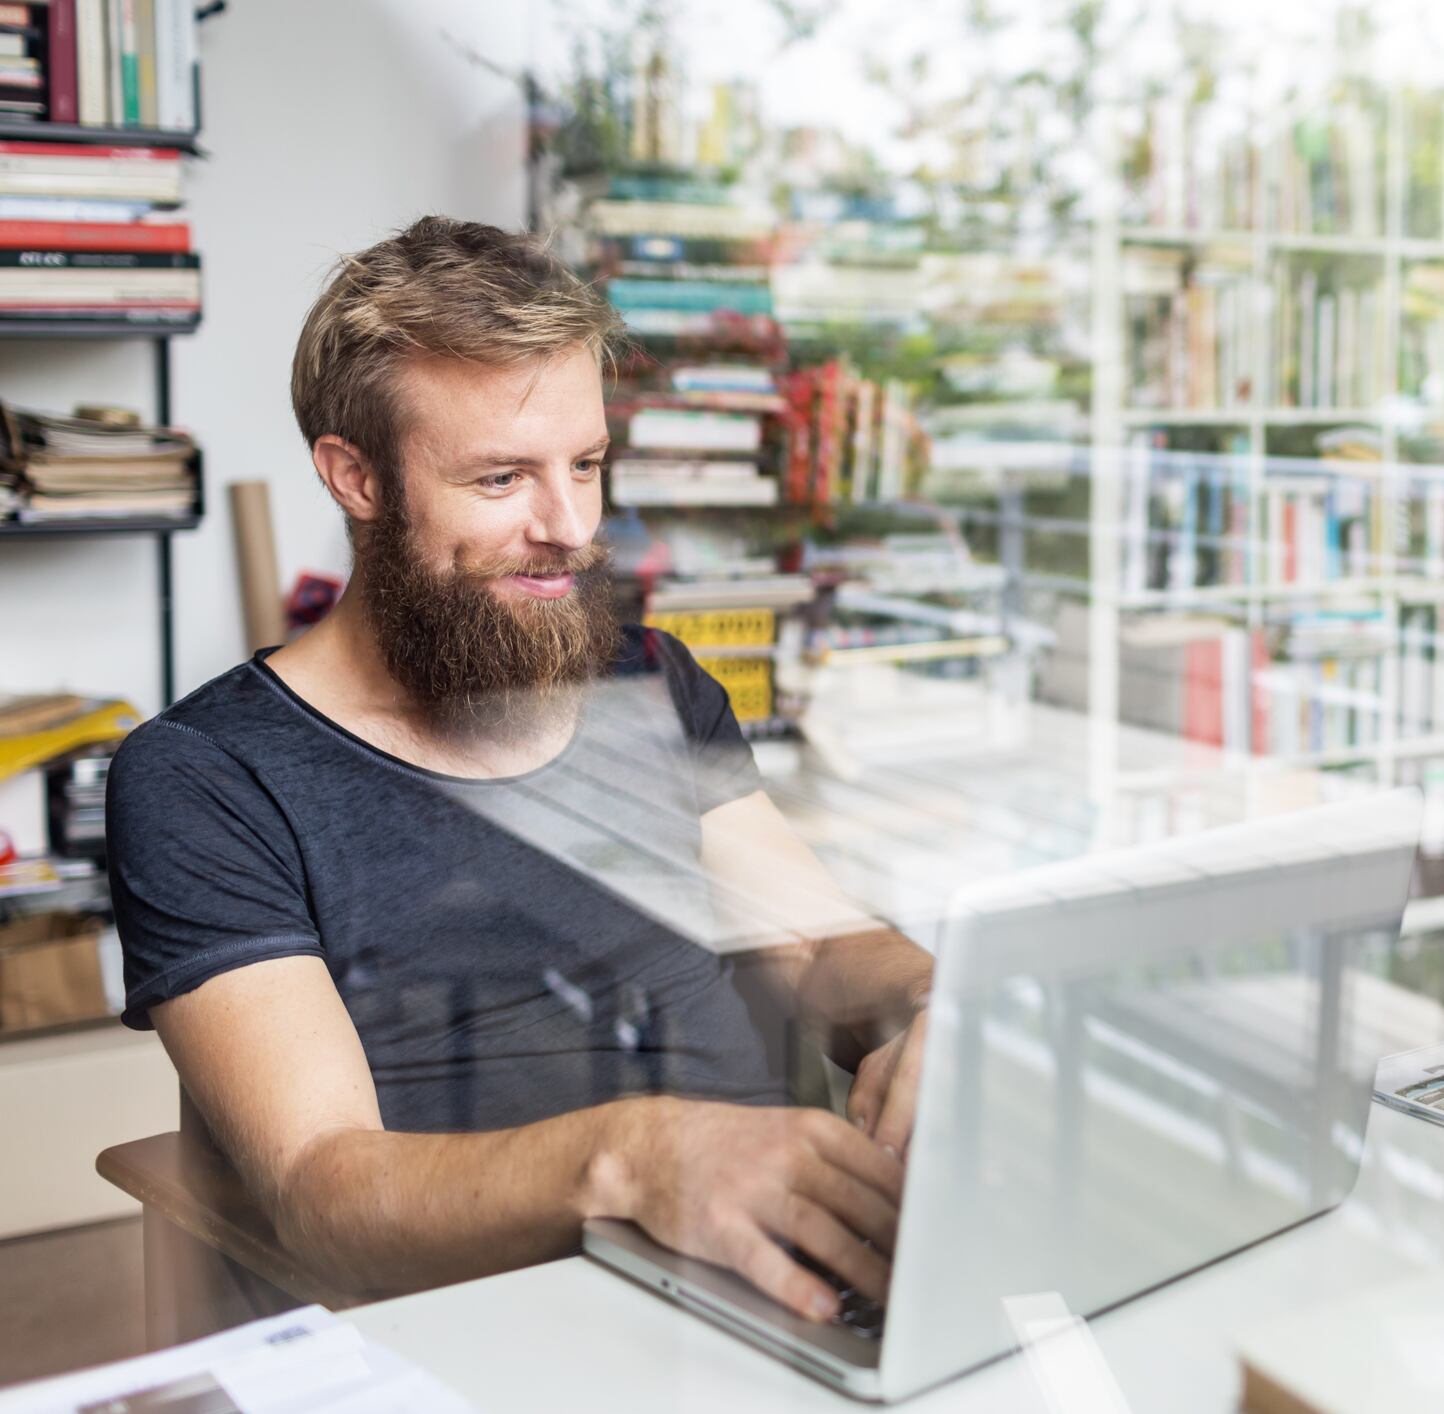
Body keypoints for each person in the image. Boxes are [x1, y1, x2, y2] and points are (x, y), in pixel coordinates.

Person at [106, 216, 929, 1326]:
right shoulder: (205, 778)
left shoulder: (650, 680)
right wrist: (633, 1157)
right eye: (501, 478)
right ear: (356, 477)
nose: (571, 526)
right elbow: (322, 1186)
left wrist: (931, 999)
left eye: (586, 464)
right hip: (487, 1316)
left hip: (773, 1282)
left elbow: (819, 947)